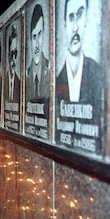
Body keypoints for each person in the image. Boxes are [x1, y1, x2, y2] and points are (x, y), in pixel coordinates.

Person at [55, 0, 105, 153]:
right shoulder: (56, 82)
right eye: (71, 17)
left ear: (86, 20)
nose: (75, 27)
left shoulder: (99, 75)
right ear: (64, 24)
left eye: (80, 15)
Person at [25, 4, 50, 102]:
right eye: (34, 36)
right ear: (30, 40)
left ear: (44, 34)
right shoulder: (26, 76)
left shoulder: (49, 69)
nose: (37, 45)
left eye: (40, 34)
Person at [4, 24, 20, 103]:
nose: (14, 59)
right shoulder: (3, 83)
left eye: (16, 53)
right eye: (11, 54)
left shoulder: (19, 84)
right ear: (8, 56)